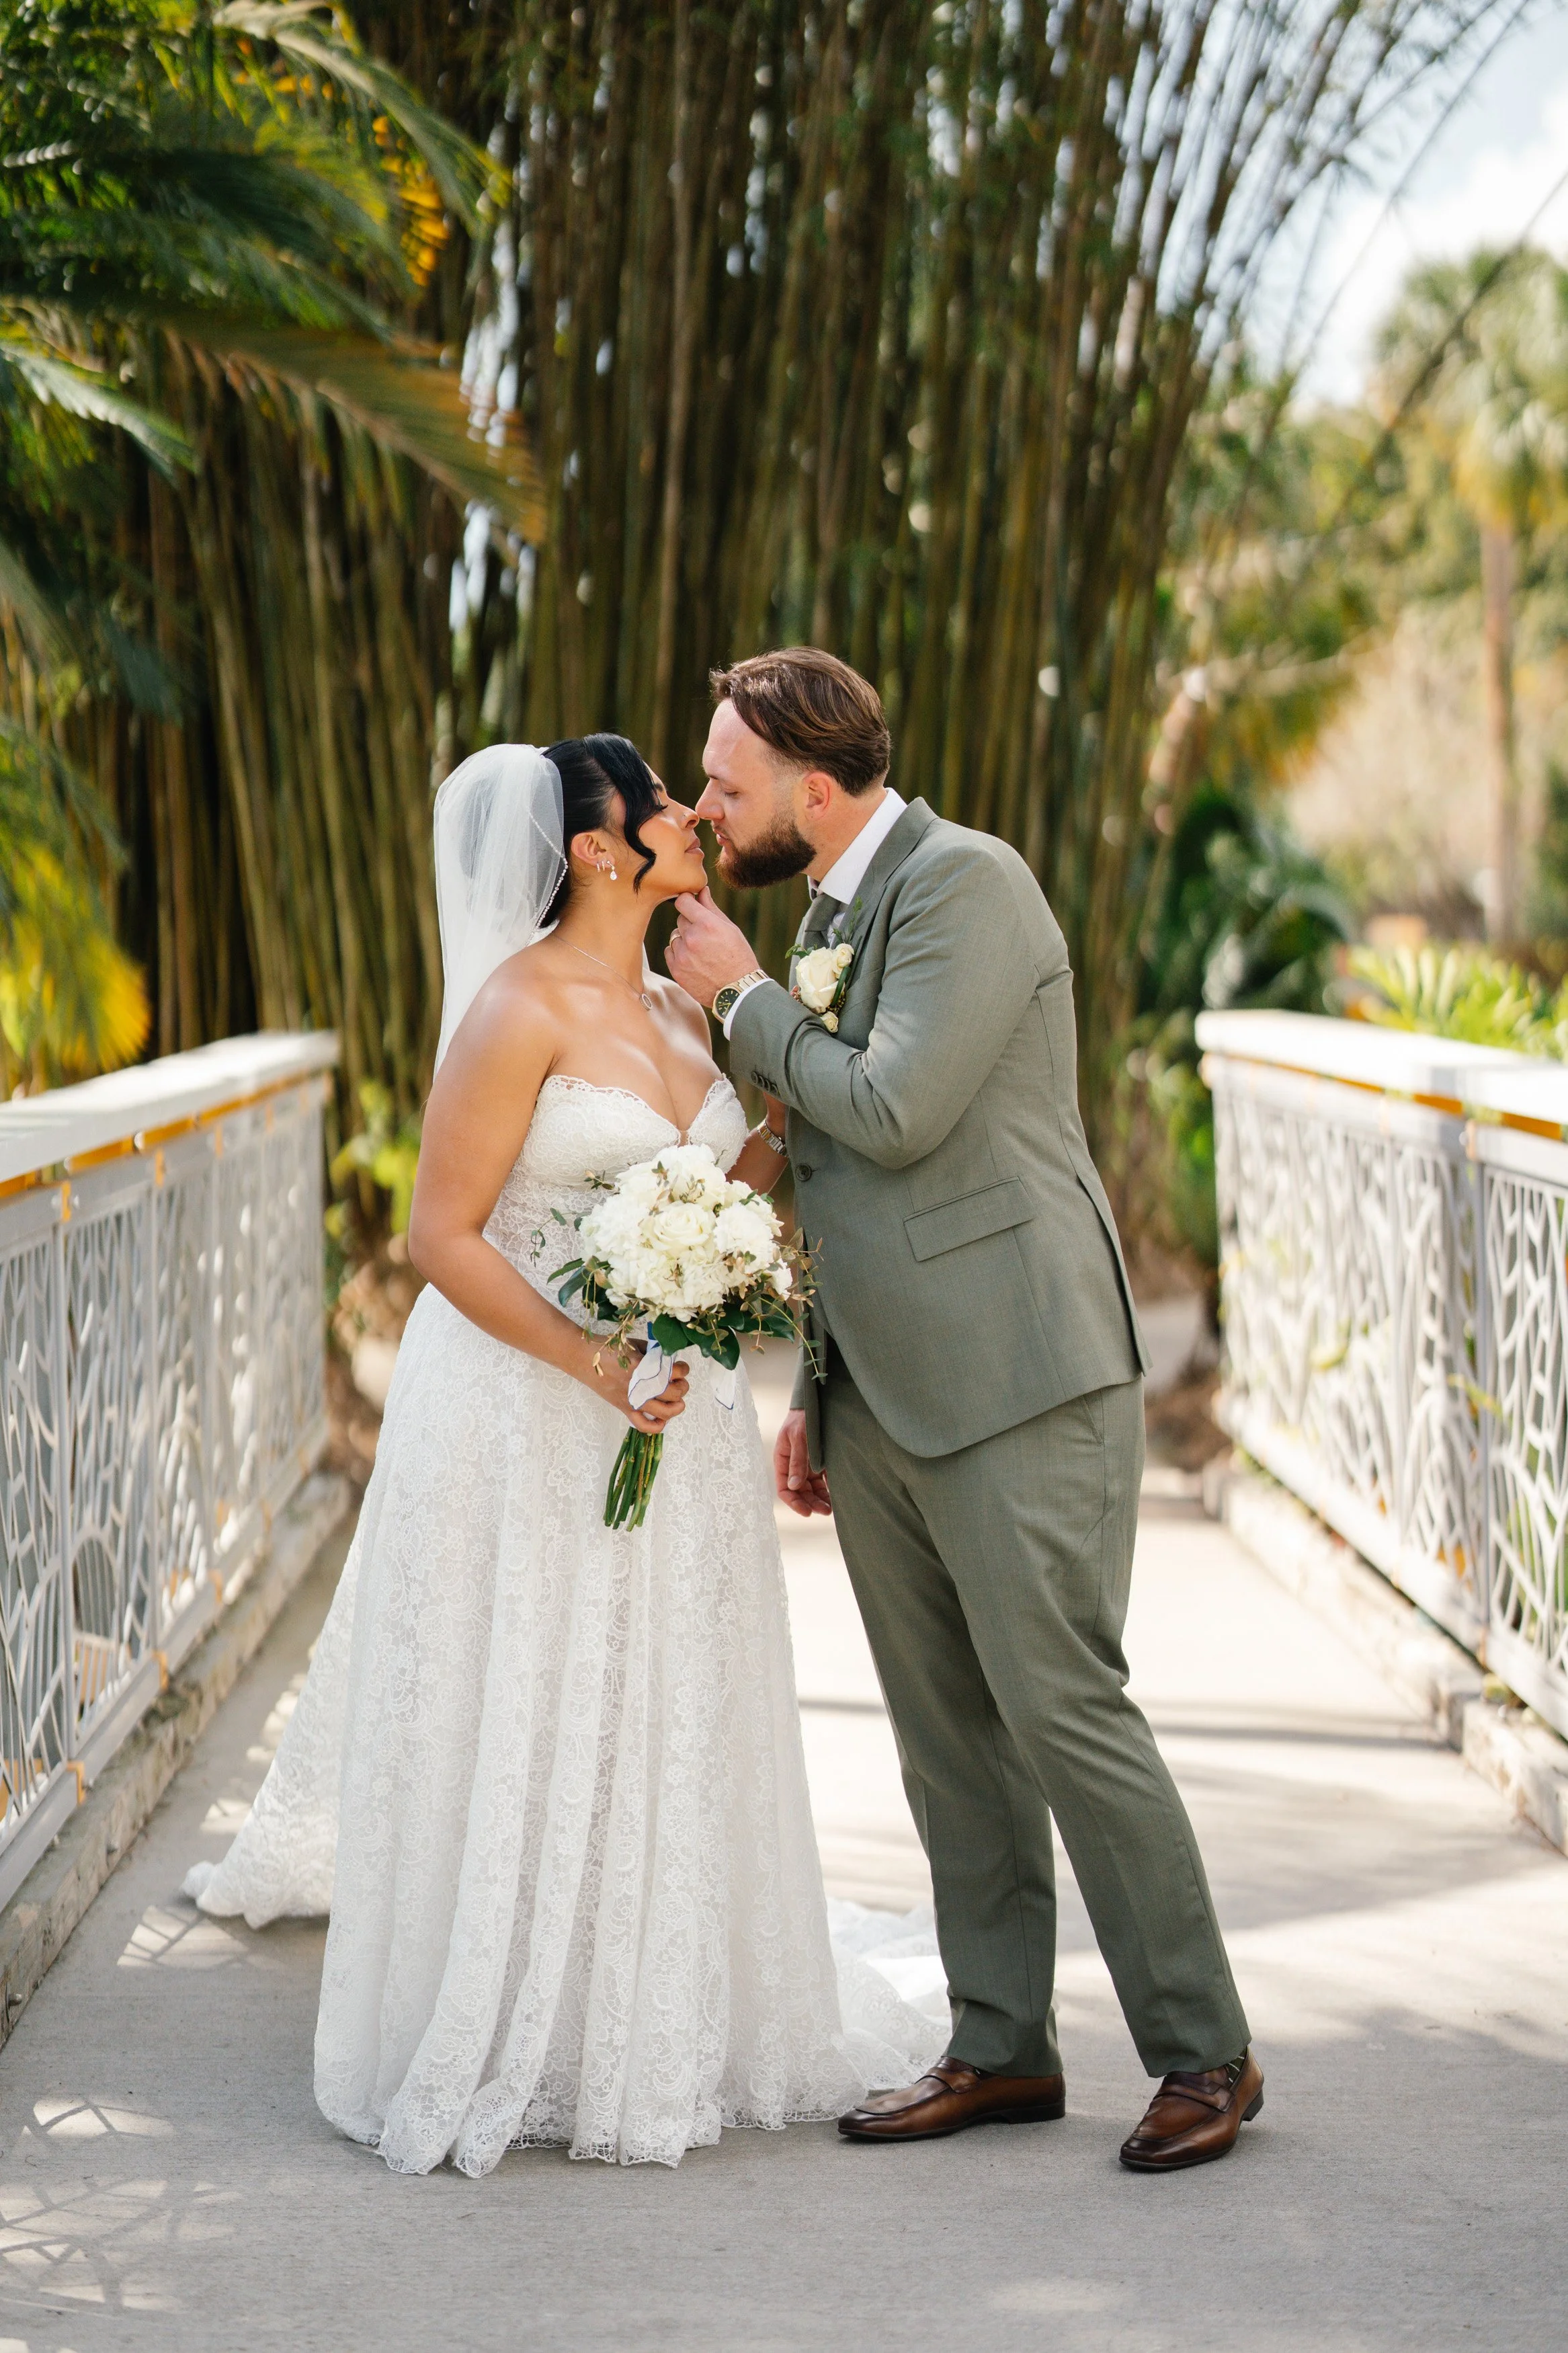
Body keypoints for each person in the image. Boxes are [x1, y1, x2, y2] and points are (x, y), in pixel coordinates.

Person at [184, 734, 942, 2175]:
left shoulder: (677, 997)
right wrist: (600, 1362)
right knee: (544, 1689)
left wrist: (771, 1143)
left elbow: (706, 1185)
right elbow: (441, 1236)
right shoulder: (515, 1007)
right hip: (537, 1411)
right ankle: (519, 2010)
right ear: (597, 851)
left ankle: (644, 2005)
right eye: (661, 803)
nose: (687, 815)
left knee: (661, 1697)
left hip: (679, 1411)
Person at [667, 649, 1262, 2173]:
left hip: (1018, 1374)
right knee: (944, 1740)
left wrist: (735, 994)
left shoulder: (963, 884)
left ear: (814, 786)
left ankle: (1203, 2049)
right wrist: (819, 1387)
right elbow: (831, 1174)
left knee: (1061, 1709)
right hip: (883, 1394)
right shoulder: (830, 914)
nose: (712, 810)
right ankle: (998, 2046)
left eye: (728, 784)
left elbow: (891, 1108)